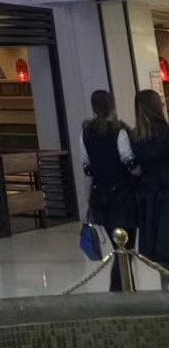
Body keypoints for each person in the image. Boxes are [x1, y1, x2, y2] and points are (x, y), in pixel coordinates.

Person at [82, 89, 137, 290]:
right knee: (125, 249)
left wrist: (88, 200)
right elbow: (130, 163)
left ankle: (125, 290)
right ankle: (119, 291)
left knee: (118, 249)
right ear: (112, 105)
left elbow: (87, 167)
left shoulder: (86, 133)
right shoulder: (120, 131)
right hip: (123, 197)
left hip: (101, 198)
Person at [133, 89, 169, 278]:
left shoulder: (135, 137)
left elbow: (134, 169)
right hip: (166, 194)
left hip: (149, 199)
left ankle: (164, 290)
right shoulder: (166, 133)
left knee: (159, 254)